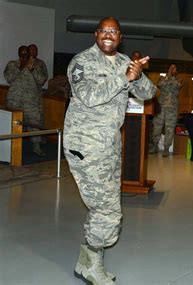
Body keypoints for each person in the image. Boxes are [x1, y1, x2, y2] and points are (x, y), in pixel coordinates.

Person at [63, 17, 156, 285]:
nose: (108, 35)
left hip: (109, 145)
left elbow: (149, 92)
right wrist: (123, 76)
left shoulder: (125, 62)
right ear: (96, 34)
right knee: (108, 210)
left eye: (113, 31)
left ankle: (86, 263)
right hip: (85, 144)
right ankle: (92, 266)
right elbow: (89, 96)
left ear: (120, 37)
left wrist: (136, 75)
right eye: (103, 30)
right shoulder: (81, 62)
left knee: (104, 204)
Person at [3, 45, 48, 156]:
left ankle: (36, 146)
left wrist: (32, 69)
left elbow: (41, 80)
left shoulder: (36, 65)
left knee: (34, 122)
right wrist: (20, 68)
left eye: (26, 53)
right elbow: (8, 78)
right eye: (21, 53)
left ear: (29, 54)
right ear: (19, 54)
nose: (24, 55)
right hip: (14, 99)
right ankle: (9, 147)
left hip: (30, 100)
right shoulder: (12, 64)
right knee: (12, 123)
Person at [150, 63, 183, 157]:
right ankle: (154, 146)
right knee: (157, 127)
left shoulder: (179, 80)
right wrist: (168, 75)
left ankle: (166, 148)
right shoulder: (162, 78)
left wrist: (170, 77)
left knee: (170, 128)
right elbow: (160, 84)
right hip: (161, 107)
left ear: (177, 71)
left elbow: (177, 85)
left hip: (172, 108)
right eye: (170, 67)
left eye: (174, 68)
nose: (172, 69)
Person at [28, 44, 49, 140]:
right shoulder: (21, 62)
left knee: (38, 118)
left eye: (35, 50)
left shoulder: (40, 64)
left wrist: (34, 71)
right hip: (22, 96)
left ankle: (40, 140)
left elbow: (43, 78)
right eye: (31, 50)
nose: (34, 52)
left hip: (36, 95)